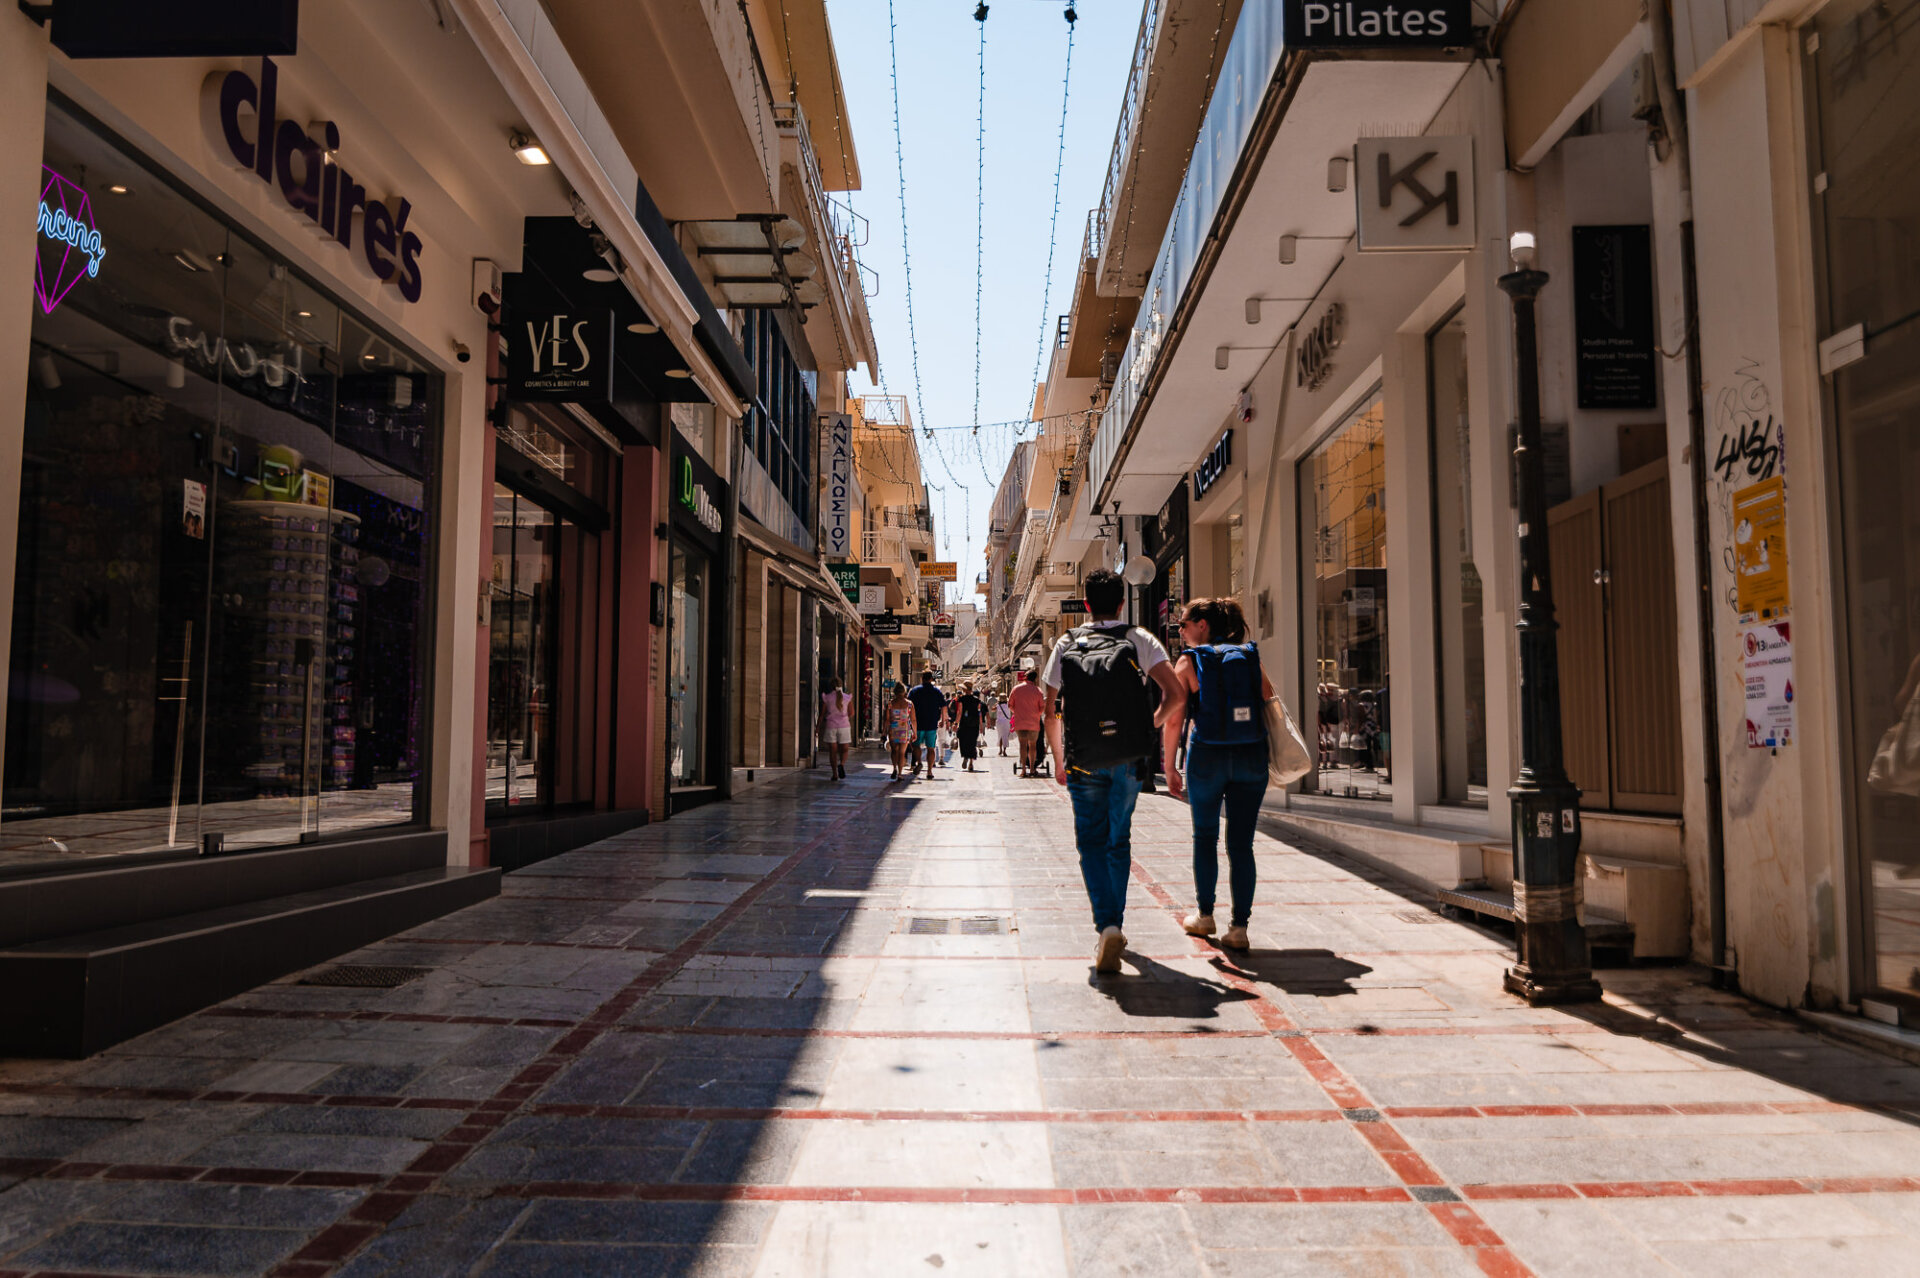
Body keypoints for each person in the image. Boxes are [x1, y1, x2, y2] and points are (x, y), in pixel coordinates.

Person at [1044, 568, 1182, 973]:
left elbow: (1052, 711)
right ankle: (1115, 924)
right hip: (1127, 758)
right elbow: (1176, 694)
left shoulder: (1066, 643)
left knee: (1090, 841)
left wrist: (1057, 758)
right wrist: (1148, 726)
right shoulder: (1141, 639)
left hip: (1083, 757)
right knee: (1117, 840)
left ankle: (1106, 925)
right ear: (1122, 602)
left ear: (1085, 604)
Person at [1160, 598, 1272, 951]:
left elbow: (1175, 714)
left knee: (1205, 837)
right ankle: (1239, 927)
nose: (1180, 630)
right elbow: (1268, 699)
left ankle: (1205, 916)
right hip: (1251, 755)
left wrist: (1169, 766)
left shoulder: (1190, 660)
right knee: (1242, 844)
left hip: (1207, 757)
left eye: (1184, 624)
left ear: (1203, 624)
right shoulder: (1249, 656)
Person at [907, 671, 948, 777]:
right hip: (931, 724)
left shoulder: (914, 691)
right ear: (931, 679)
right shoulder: (936, 692)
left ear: (922, 678)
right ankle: (929, 771)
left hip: (918, 723)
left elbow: (908, 706)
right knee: (931, 748)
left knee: (915, 745)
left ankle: (919, 762)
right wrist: (943, 720)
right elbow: (944, 706)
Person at [1009, 669, 1046, 776]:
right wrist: (1036, 714)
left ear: (1025, 677)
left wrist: (1017, 712)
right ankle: (1032, 769)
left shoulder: (1016, 689)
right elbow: (1042, 708)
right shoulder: (1038, 691)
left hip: (1020, 722)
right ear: (1035, 679)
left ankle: (1024, 770)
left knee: (1023, 745)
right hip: (1033, 722)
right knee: (1033, 746)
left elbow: (1010, 705)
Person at [819, 677, 854, 781]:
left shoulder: (827, 697)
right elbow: (852, 713)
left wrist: (817, 728)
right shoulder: (847, 697)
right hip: (844, 726)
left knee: (832, 752)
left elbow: (822, 714)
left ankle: (834, 774)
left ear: (831, 686)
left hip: (831, 726)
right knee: (845, 749)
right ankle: (842, 764)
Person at [953, 681, 986, 772]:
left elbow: (959, 712)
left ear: (964, 689)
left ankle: (965, 756)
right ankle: (971, 763)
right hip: (974, 724)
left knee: (963, 742)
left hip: (964, 724)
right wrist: (981, 726)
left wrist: (956, 723)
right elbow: (979, 713)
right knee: (972, 743)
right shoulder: (977, 700)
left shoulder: (961, 699)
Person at [886, 683, 916, 781]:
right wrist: (914, 732)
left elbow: (887, 719)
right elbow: (913, 720)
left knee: (894, 751)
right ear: (904, 692)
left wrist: (884, 732)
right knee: (902, 753)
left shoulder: (890, 704)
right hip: (905, 729)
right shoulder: (909, 704)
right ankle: (899, 774)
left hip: (893, 729)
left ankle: (894, 768)